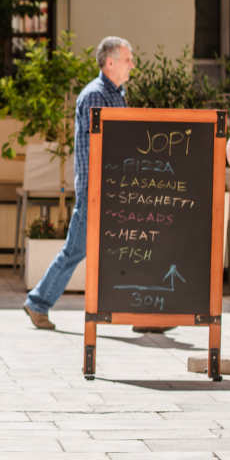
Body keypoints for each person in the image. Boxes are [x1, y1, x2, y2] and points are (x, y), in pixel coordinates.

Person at [23, 36, 134, 331]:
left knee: (129, 246)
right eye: (127, 60)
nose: (131, 66)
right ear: (110, 62)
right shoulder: (96, 95)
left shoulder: (116, 93)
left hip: (112, 189)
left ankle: (140, 309)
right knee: (76, 250)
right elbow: (107, 144)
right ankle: (38, 303)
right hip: (96, 189)